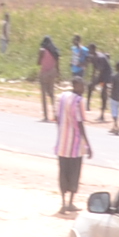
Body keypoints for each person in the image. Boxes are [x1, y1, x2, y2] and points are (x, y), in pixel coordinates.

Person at [54, 77, 92, 215]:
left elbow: (57, 118)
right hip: (75, 146)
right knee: (74, 173)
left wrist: (61, 133)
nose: (83, 89)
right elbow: (80, 123)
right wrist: (88, 145)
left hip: (62, 145)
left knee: (63, 173)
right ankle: (70, 203)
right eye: (82, 86)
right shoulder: (79, 101)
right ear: (75, 85)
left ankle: (64, 203)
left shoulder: (61, 97)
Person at [36, 36, 60, 120]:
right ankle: (56, 113)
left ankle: (46, 116)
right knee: (51, 94)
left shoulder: (42, 50)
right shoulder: (54, 51)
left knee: (44, 95)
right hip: (53, 72)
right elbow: (57, 64)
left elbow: (38, 62)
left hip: (44, 73)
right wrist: (58, 73)